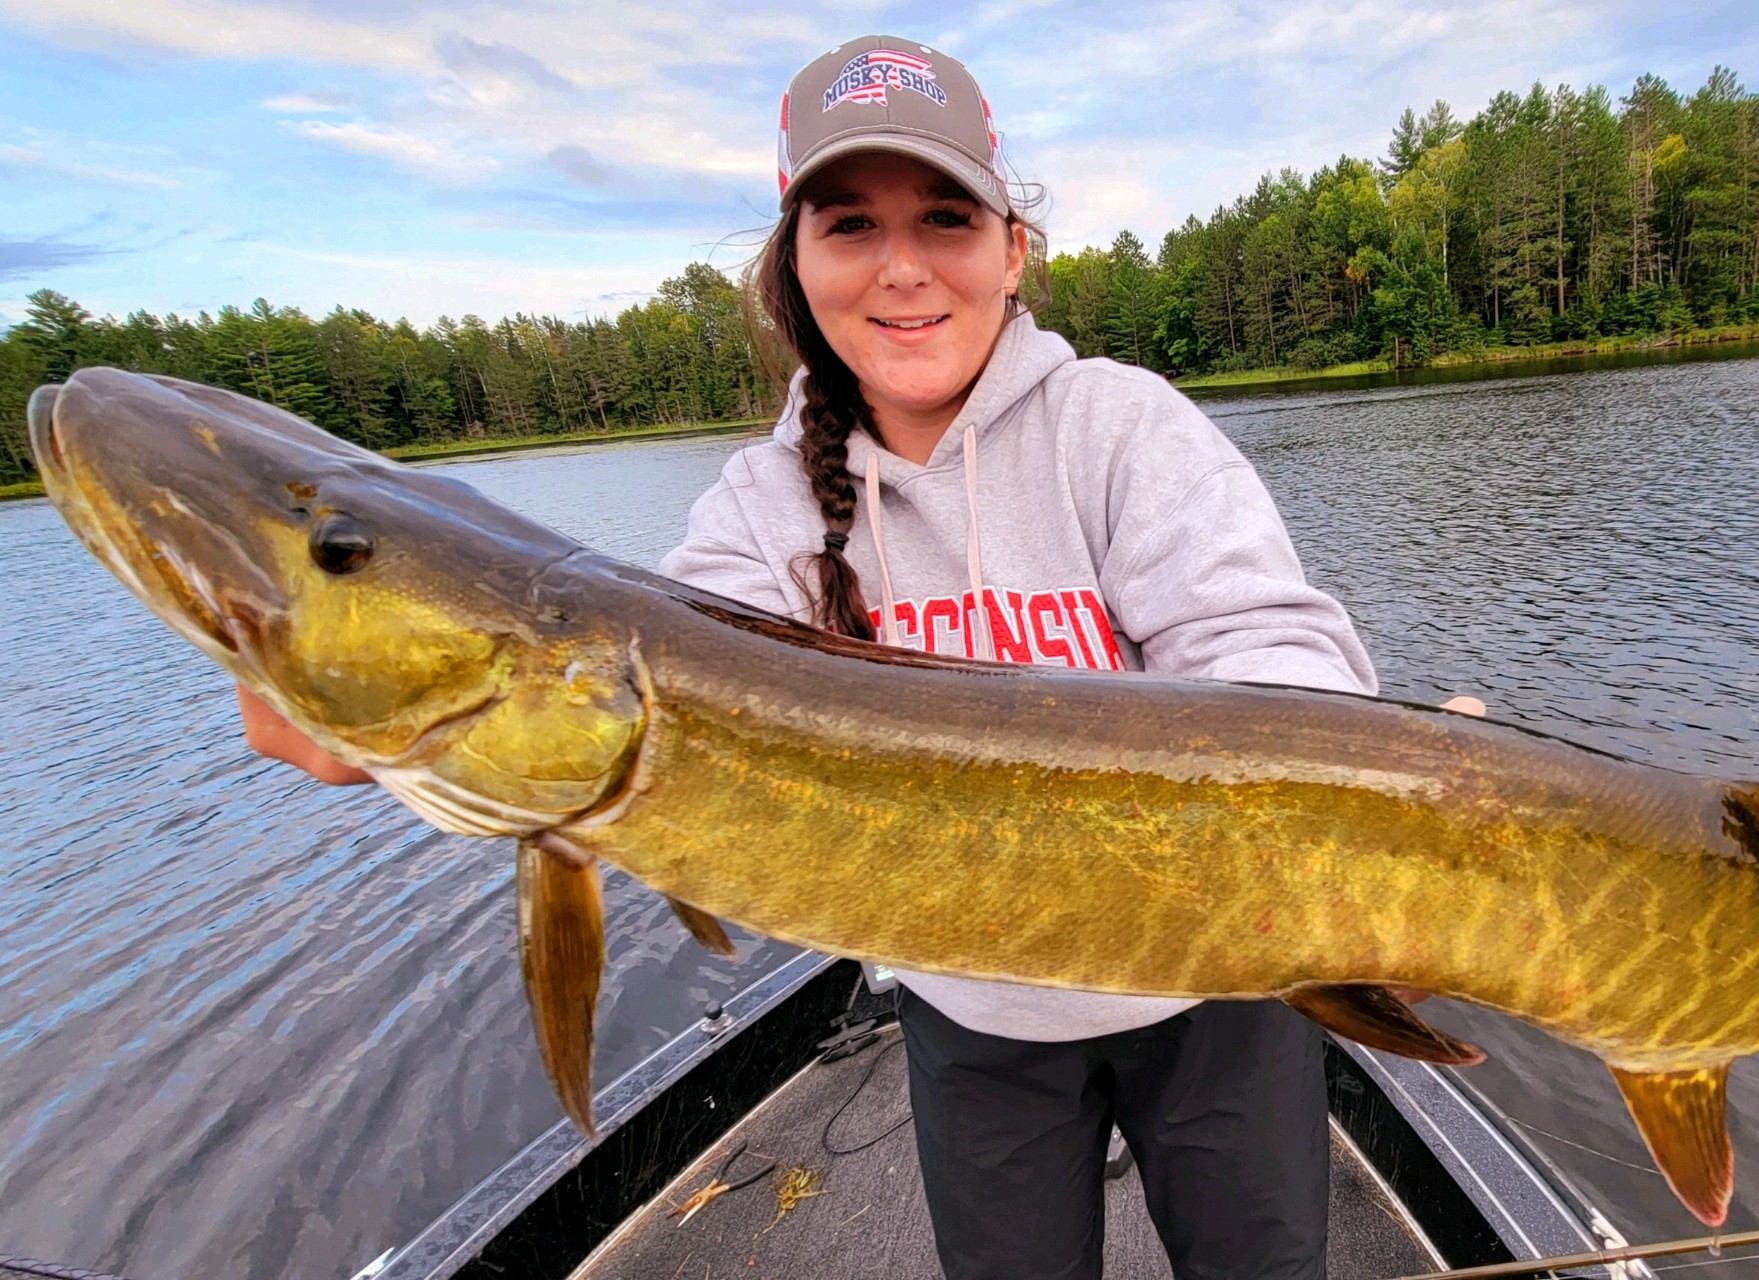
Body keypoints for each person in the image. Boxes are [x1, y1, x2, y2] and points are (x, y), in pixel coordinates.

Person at [243, 35, 1482, 1280]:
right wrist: (403, 732)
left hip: (1224, 1001)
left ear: (1012, 248)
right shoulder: (759, 506)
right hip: (972, 1022)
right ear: (796, 264)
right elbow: (627, 721)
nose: (901, 268)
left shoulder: (1119, 424)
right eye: (849, 225)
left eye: (945, 217)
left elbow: (1267, 645)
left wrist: (1383, 784)